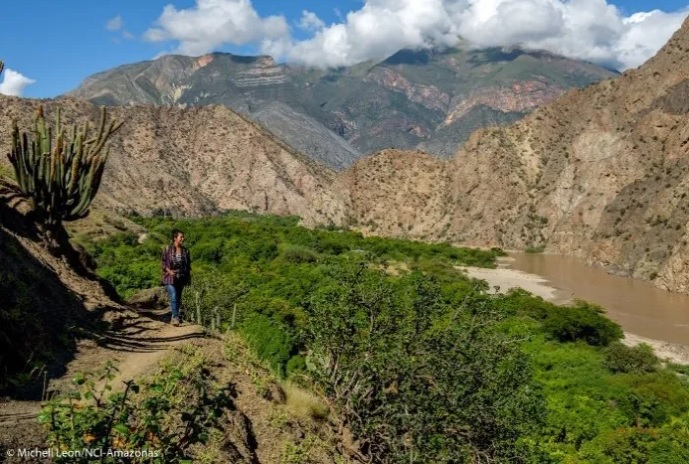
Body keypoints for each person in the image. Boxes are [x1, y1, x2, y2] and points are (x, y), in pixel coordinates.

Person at [161, 229, 191, 325]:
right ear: (175, 238)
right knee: (173, 296)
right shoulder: (167, 249)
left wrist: (188, 277)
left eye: (183, 237)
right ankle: (176, 317)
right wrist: (170, 271)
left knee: (178, 297)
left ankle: (174, 316)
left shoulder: (185, 251)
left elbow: (188, 266)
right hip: (169, 277)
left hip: (181, 277)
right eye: (181, 237)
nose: (183, 238)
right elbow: (163, 264)